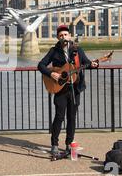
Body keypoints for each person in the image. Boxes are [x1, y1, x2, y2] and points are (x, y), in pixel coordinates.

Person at [38, 25, 99, 155]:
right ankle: (54, 144)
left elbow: (86, 64)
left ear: (69, 36)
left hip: (75, 89)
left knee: (72, 117)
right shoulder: (54, 51)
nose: (63, 37)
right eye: (61, 35)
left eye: (65, 35)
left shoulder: (77, 50)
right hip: (60, 89)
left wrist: (94, 65)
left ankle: (68, 144)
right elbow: (41, 65)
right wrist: (51, 74)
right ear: (57, 38)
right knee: (59, 117)